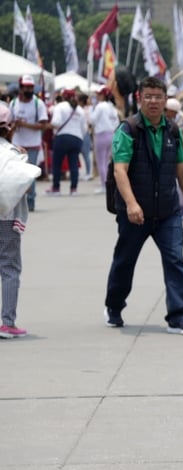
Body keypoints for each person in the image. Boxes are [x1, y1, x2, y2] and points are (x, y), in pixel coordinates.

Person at [104, 76, 183, 335]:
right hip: (135, 213)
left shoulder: (172, 129)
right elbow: (120, 171)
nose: (154, 102)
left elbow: (181, 169)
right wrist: (132, 204)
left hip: (167, 211)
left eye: (159, 97)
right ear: (140, 98)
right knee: (125, 262)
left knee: (175, 260)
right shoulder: (128, 130)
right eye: (148, 96)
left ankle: (179, 316)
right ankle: (114, 306)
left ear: (165, 99)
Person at [0, 105, 30, 339]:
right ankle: (7, 323)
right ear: (10, 128)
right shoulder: (13, 153)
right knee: (9, 269)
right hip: (7, 219)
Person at [10, 75, 48, 211]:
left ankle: (30, 202)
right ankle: (17, 203)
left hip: (32, 145)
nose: (29, 89)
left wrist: (25, 125)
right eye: (26, 87)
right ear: (20, 88)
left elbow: (44, 125)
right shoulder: (13, 103)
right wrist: (14, 126)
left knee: (30, 176)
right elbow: (9, 123)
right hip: (16, 145)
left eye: (31, 87)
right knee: (17, 175)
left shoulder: (38, 103)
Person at [48, 89, 86, 196]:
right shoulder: (80, 110)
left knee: (57, 163)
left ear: (64, 97)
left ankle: (56, 188)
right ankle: (74, 189)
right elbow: (84, 128)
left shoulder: (60, 106)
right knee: (73, 164)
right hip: (77, 138)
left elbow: (56, 122)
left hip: (62, 137)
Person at [89, 87, 120, 194]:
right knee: (107, 162)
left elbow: (92, 119)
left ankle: (104, 185)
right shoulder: (113, 108)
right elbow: (116, 123)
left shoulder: (100, 106)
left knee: (101, 162)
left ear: (102, 95)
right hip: (112, 134)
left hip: (101, 134)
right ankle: (108, 183)